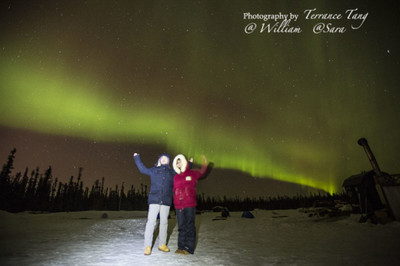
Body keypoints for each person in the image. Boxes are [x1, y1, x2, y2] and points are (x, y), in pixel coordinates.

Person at [133, 153, 175, 255]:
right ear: (159, 160)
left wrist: (189, 164)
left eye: (166, 159)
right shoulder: (153, 170)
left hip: (166, 200)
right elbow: (142, 169)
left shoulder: (171, 172)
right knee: (151, 222)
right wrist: (137, 157)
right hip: (154, 199)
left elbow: (182, 172)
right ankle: (147, 246)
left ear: (168, 161)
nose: (164, 160)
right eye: (162, 158)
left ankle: (162, 244)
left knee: (164, 223)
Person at [172, 154, 208, 255]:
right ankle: (180, 247)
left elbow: (202, 172)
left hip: (189, 204)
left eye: (180, 161)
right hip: (179, 205)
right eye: (177, 162)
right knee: (181, 227)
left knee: (190, 226)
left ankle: (189, 248)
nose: (178, 163)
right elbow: (174, 189)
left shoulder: (191, 173)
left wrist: (204, 163)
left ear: (184, 161)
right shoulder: (176, 177)